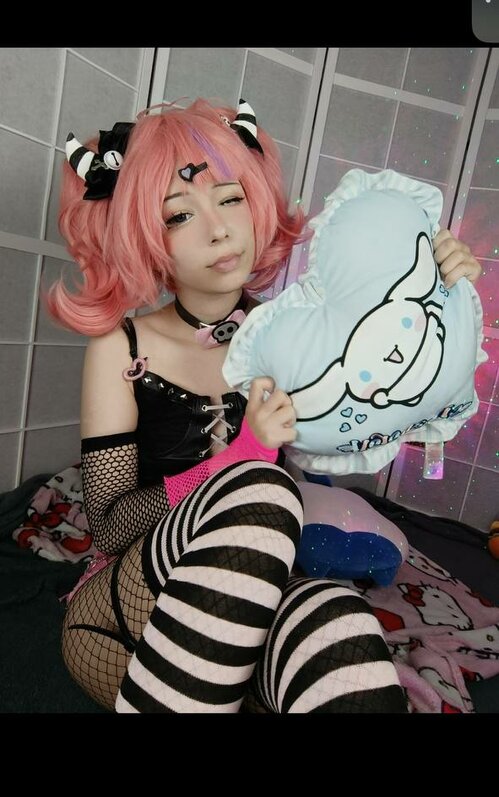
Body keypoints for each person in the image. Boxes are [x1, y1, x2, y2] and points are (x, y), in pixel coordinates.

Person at [46, 97, 482, 714]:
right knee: (267, 489)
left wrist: (443, 301)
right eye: (179, 214)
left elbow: (416, 443)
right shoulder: (123, 346)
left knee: (344, 622)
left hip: (253, 600)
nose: (219, 229)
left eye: (230, 200)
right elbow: (111, 527)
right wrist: (238, 459)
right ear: (143, 234)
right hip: (130, 611)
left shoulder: (292, 337)